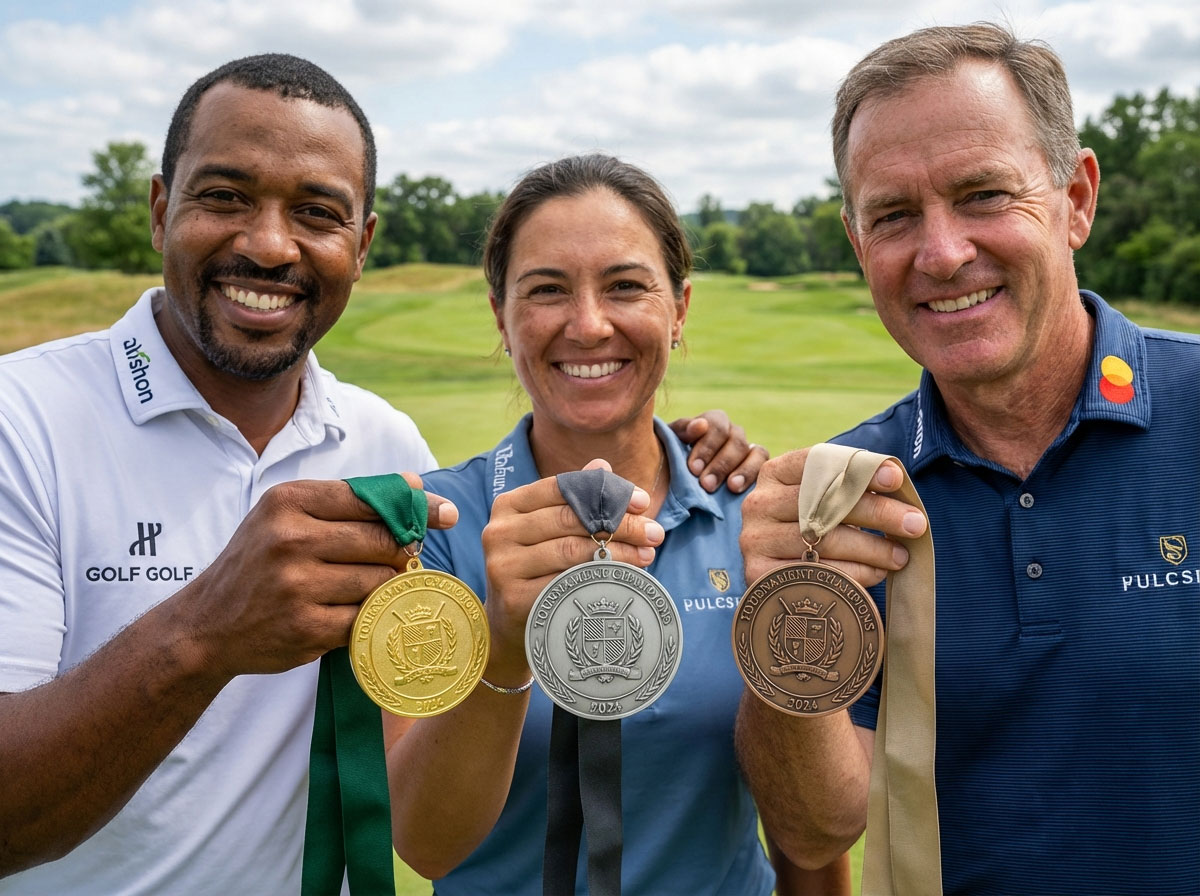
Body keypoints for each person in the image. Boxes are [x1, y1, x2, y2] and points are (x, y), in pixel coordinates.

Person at [0, 57, 759, 894]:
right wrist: (206, 629)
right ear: (158, 209)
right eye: (224, 196)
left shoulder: (384, 448)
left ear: (360, 246)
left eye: (317, 213)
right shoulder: (22, 420)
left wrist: (710, 451)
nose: (268, 243)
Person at [736, 22, 1199, 895]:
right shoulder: (847, 494)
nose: (943, 254)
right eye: (895, 215)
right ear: (856, 241)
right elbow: (817, 826)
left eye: (984, 194)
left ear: (1076, 198)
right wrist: (782, 611)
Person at [382, 154, 849, 896]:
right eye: (546, 291)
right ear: (502, 318)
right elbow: (426, 845)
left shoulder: (752, 513)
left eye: (626, 286)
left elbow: (814, 834)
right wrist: (503, 650)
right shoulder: (431, 529)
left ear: (680, 309)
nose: (590, 324)